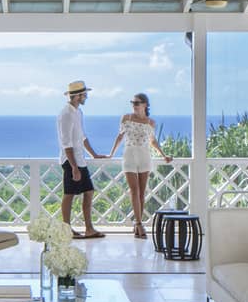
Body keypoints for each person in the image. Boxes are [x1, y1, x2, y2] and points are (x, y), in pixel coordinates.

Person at [107, 92, 174, 239]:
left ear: (145, 105)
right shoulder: (127, 118)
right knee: (134, 190)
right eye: (132, 102)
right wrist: (111, 154)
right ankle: (138, 223)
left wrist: (164, 155)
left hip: (144, 156)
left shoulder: (151, 122)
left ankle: (138, 225)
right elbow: (120, 136)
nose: (134, 105)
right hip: (129, 155)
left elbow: (153, 141)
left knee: (142, 193)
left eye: (137, 103)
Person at [57, 80, 107, 239]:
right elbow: (66, 143)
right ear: (77, 96)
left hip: (80, 160)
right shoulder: (66, 114)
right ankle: (66, 230)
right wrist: (73, 167)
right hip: (71, 161)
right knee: (69, 194)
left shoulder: (78, 112)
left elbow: (82, 137)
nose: (86, 97)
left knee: (89, 191)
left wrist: (93, 154)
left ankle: (89, 229)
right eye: (84, 94)